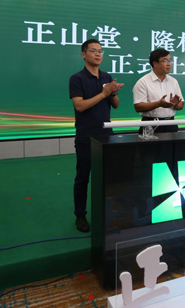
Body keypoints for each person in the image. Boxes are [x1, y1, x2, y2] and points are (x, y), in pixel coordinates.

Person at [69, 39, 124, 232]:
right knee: (83, 177)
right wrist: (103, 93)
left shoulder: (106, 77)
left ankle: (107, 213)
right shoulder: (77, 79)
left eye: (100, 51)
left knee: (108, 177)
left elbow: (115, 105)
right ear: (84, 54)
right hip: (86, 136)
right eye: (93, 50)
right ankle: (80, 215)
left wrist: (113, 93)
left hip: (106, 135)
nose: (98, 54)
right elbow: (79, 106)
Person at [132, 48, 184, 134]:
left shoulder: (173, 81)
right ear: (155, 64)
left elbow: (181, 105)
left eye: (170, 61)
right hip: (151, 125)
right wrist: (159, 104)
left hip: (171, 124)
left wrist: (175, 104)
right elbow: (138, 107)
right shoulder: (143, 82)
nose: (169, 64)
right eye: (165, 61)